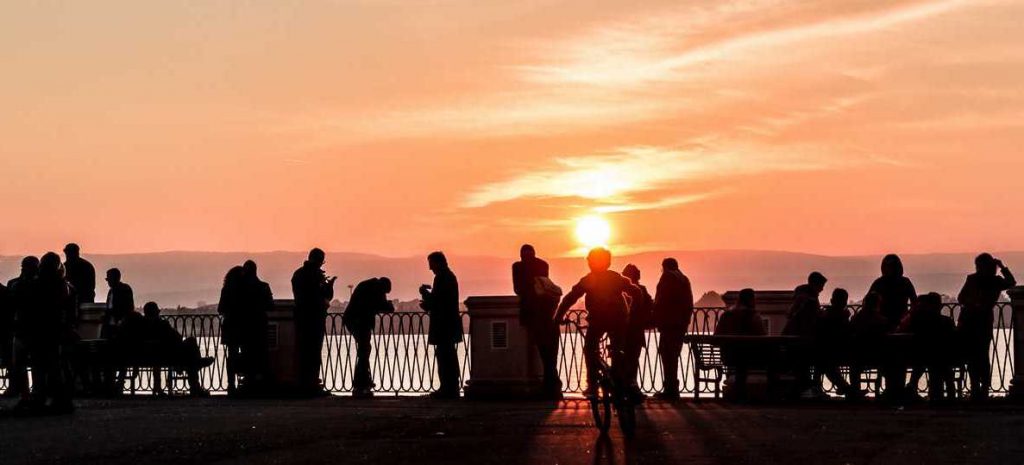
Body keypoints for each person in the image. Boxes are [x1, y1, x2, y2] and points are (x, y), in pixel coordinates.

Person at [554, 248, 643, 398]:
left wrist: (558, 317)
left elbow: (570, 298)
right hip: (619, 319)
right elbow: (636, 292)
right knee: (619, 350)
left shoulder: (589, 280)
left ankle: (592, 385)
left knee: (590, 349)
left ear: (591, 263)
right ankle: (623, 381)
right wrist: (633, 314)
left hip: (598, 320)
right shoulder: (615, 278)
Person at [20, 252, 76, 414]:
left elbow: (30, 309)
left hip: (41, 331)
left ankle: (41, 398)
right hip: (55, 331)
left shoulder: (38, 285)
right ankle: (60, 400)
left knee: (41, 367)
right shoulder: (65, 286)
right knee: (54, 367)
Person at [122, 302, 213, 396]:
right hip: (168, 357)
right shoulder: (162, 324)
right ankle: (195, 380)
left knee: (189, 356)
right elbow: (178, 337)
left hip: (147, 357)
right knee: (191, 343)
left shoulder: (139, 327)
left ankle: (196, 363)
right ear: (157, 312)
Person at [957, 253, 1015, 401]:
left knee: (978, 355)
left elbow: (1011, 282)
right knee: (977, 355)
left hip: (976, 321)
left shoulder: (988, 281)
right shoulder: (986, 280)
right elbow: (961, 298)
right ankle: (979, 387)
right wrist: (1002, 267)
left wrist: (1002, 267)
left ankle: (979, 387)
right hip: (975, 321)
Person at [512, 245, 562, 398]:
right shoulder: (542, 266)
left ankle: (551, 386)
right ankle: (552, 386)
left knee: (545, 352)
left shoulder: (518, 267)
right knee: (550, 354)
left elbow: (518, 289)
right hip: (549, 316)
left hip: (534, 315)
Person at [291, 248, 336, 395]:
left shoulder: (298, 274)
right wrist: (329, 286)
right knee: (314, 352)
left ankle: (301, 384)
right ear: (319, 261)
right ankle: (312, 384)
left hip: (301, 318)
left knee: (303, 351)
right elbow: (324, 296)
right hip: (315, 317)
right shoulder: (316, 276)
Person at [898, 293, 956, 402]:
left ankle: (911, 387)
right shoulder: (946, 321)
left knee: (921, 362)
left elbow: (902, 329)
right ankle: (945, 396)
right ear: (939, 306)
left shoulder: (918, 320)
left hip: (922, 355)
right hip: (944, 356)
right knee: (939, 367)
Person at [419, 252, 463, 398]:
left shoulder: (442, 278)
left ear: (438, 263)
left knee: (445, 356)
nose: (430, 268)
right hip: (449, 323)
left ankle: (448, 388)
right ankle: (451, 387)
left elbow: (436, 302)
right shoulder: (449, 277)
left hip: (444, 324)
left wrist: (424, 294)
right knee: (448, 355)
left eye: (431, 264)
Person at [342, 277, 394, 397]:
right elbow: (384, 306)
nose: (384, 295)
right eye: (385, 293)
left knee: (364, 350)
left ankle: (363, 381)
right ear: (383, 287)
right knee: (364, 350)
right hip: (359, 321)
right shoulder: (375, 289)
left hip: (355, 320)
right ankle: (362, 383)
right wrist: (389, 304)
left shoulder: (368, 285)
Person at [653, 258, 694, 400]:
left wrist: (654, 317)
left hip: (668, 324)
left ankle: (670, 389)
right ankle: (673, 388)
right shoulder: (684, 279)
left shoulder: (667, 277)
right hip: (680, 325)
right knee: (673, 357)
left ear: (664, 267)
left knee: (666, 356)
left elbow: (660, 300)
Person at [782, 272, 828, 399]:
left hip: (795, 342)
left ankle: (810, 387)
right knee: (821, 360)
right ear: (815, 284)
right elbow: (810, 322)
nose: (822, 289)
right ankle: (813, 387)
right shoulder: (810, 301)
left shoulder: (801, 298)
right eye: (821, 285)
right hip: (803, 343)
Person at [714, 289, 765, 400]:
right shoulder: (753, 316)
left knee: (740, 359)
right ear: (751, 301)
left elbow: (716, 337)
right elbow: (762, 337)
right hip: (750, 358)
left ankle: (738, 392)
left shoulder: (726, 315)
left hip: (728, 357)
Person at [4, 256, 38, 399]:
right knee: (34, 364)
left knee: (19, 363)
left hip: (20, 329)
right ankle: (32, 392)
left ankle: (21, 391)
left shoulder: (14, 285)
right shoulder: (40, 286)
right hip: (33, 330)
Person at [815, 289, 857, 398]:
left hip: (827, 351)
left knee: (826, 363)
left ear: (832, 300)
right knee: (828, 364)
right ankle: (847, 388)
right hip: (841, 351)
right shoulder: (843, 316)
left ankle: (845, 387)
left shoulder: (825, 316)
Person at [239, 260, 273, 392]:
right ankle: (261, 384)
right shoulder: (264, 286)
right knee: (261, 354)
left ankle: (249, 383)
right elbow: (270, 305)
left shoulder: (240, 289)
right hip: (260, 325)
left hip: (245, 326)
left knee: (247, 354)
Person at [621, 264, 653, 400]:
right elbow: (651, 305)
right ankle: (633, 387)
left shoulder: (622, 290)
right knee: (633, 360)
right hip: (637, 330)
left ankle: (625, 388)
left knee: (623, 360)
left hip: (624, 331)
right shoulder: (643, 290)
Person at [849, 292, 889, 396]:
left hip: (858, 356)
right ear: (878, 305)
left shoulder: (856, 319)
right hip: (878, 356)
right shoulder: (881, 321)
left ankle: (854, 391)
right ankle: (890, 390)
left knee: (854, 366)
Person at [217, 266, 246, 394]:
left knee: (232, 355)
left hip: (230, 325)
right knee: (246, 353)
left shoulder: (226, 289)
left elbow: (220, 308)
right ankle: (245, 381)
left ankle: (231, 384)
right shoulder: (245, 289)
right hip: (244, 325)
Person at [868, 254, 917, 331]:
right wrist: (907, 316)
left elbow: (869, 302)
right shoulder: (905, 282)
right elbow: (914, 302)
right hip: (900, 321)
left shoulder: (878, 283)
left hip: (883, 323)